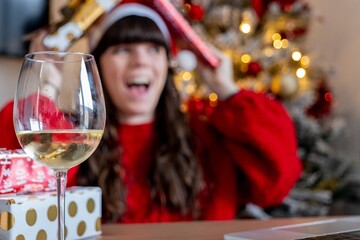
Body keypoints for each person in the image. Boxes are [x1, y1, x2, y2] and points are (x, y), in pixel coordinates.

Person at [0, 2, 302, 223]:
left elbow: (276, 182)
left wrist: (226, 89)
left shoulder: (208, 138)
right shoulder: (73, 142)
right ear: (98, 67)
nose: (140, 62)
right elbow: (17, 190)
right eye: (122, 49)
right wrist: (48, 86)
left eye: (154, 49)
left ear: (168, 66)